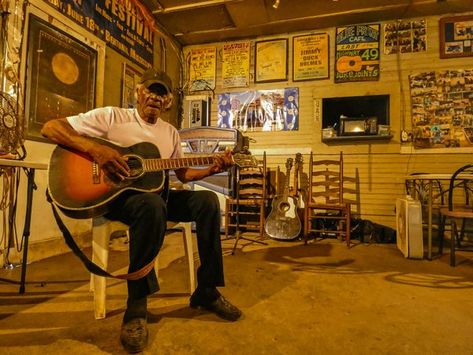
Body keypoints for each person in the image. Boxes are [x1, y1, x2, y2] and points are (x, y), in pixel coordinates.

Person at [41, 68, 242, 353]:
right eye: (151, 90)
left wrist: (212, 168)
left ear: (169, 100)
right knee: (151, 205)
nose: (156, 98)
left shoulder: (170, 132)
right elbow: (51, 127)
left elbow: (183, 175)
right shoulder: (112, 117)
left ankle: (207, 290)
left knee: (207, 202)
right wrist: (95, 150)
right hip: (120, 201)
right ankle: (136, 308)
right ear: (138, 91)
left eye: (162, 94)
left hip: (157, 196)